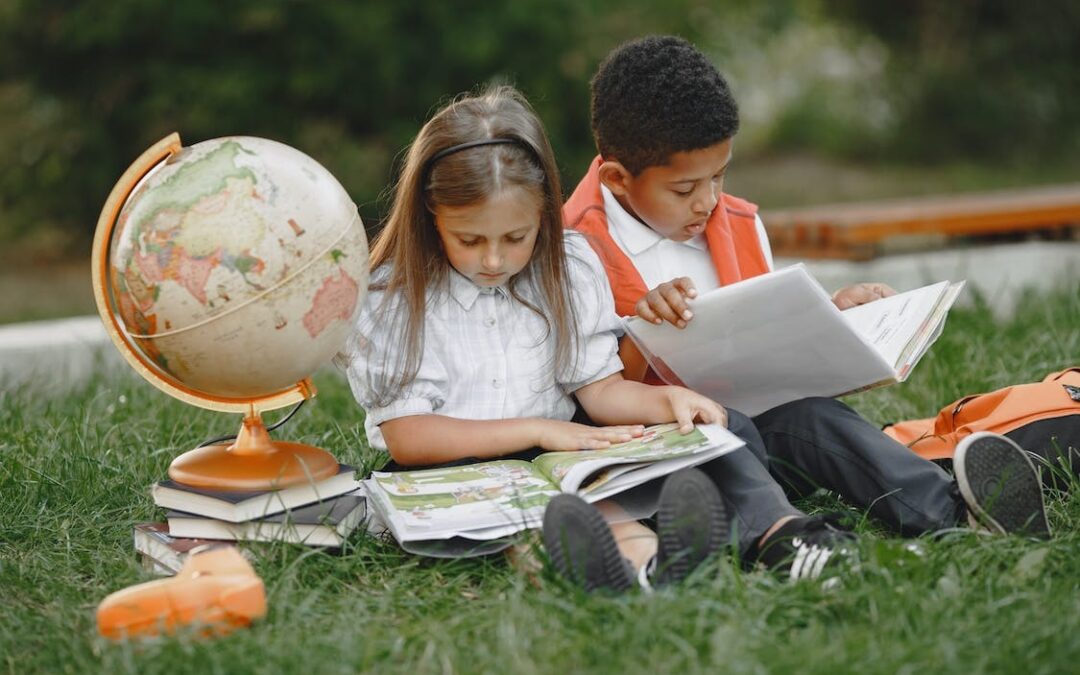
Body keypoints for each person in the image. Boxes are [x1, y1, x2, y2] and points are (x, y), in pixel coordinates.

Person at [563, 35, 1051, 578]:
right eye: (684, 189)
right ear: (616, 180)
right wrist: (643, 332)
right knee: (717, 436)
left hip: (756, 430)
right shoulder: (573, 252)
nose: (707, 201)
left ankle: (954, 510)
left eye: (719, 177)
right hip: (660, 460)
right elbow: (587, 388)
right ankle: (788, 537)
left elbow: (769, 337)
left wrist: (834, 320)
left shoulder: (740, 224)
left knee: (815, 418)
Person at [341, 85, 733, 593]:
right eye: (470, 239)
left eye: (515, 237)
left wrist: (667, 400)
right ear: (429, 217)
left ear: (545, 214)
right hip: (446, 466)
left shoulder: (567, 268)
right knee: (524, 522)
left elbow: (601, 390)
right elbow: (409, 436)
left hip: (552, 459)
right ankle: (587, 573)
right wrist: (538, 430)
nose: (494, 260)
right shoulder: (392, 295)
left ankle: (655, 567)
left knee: (600, 506)